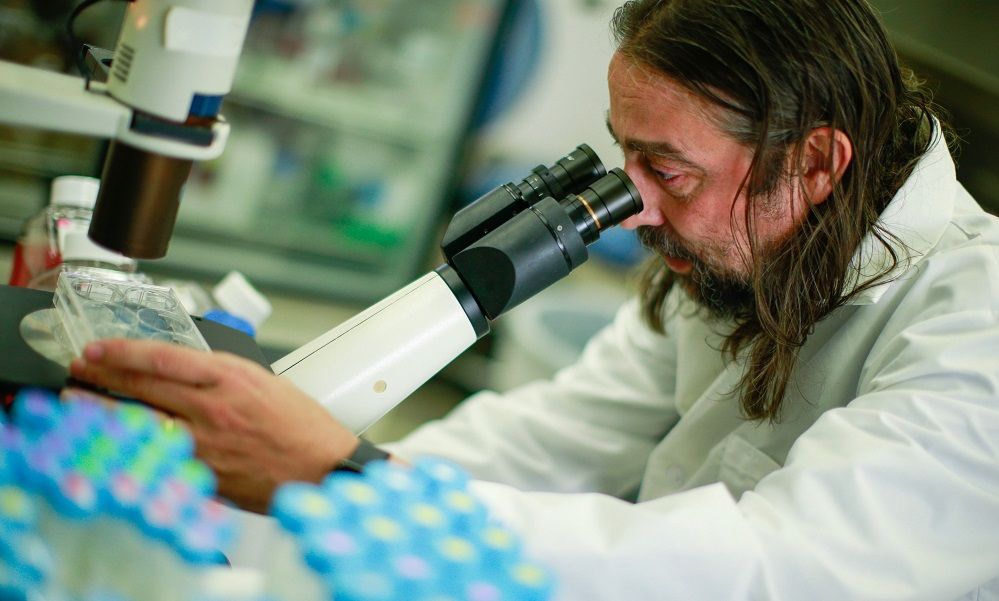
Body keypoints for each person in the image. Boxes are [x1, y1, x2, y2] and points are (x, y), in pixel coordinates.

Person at [69, 0, 999, 598]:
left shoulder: (976, 324)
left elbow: (779, 572)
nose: (633, 207)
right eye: (624, 155)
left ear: (814, 164)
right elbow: (551, 438)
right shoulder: (747, 253)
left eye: (667, 169)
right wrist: (287, 496)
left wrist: (344, 479)